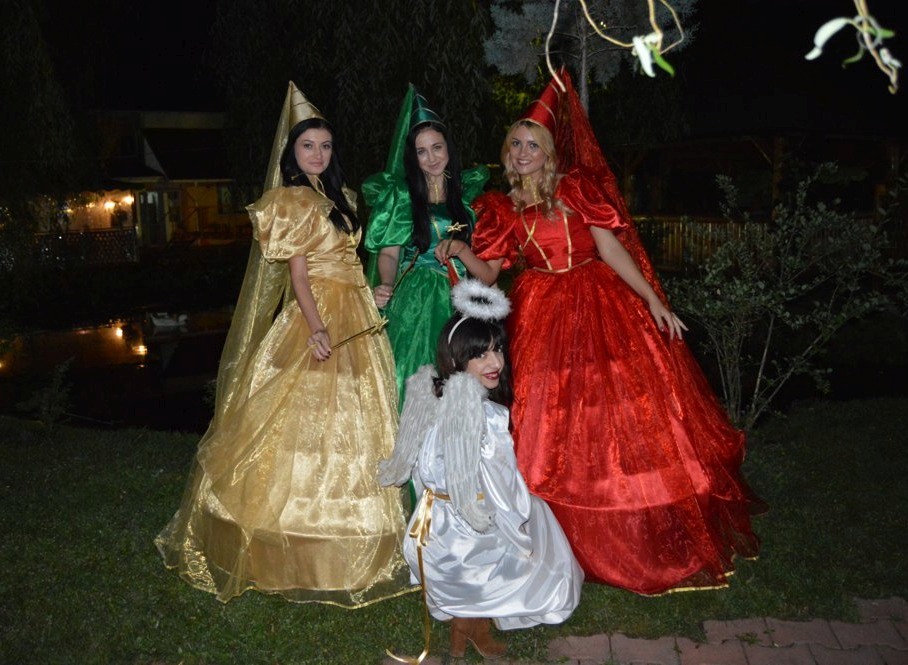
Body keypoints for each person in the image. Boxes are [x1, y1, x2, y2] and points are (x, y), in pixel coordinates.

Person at [443, 69, 762, 595]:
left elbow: (611, 248)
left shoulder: (575, 189)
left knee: (616, 409)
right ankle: (557, 535)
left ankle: (628, 521)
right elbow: (491, 273)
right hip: (541, 313)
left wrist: (653, 299)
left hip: (598, 300)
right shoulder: (501, 209)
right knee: (552, 416)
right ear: (507, 152)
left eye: (533, 145)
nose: (523, 152)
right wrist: (461, 251)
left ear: (549, 152)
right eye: (516, 144)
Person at [155, 82, 410, 607]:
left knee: (353, 415)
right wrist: (316, 326)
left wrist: (374, 293)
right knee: (301, 416)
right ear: (291, 153)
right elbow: (298, 276)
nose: (318, 154)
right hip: (317, 315)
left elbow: (350, 261)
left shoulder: (341, 199)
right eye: (308, 146)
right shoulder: (292, 201)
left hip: (356, 311)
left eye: (325, 146)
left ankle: (357, 536)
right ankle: (291, 538)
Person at [378, 279, 583, 661]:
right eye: (481, 355)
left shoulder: (431, 392)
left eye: (498, 350)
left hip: (434, 517)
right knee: (509, 543)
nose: (495, 363)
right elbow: (500, 479)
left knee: (480, 562)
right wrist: (517, 511)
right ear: (458, 359)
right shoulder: (480, 414)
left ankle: (469, 627)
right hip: (461, 520)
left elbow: (418, 460)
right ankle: (470, 626)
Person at [363, 85, 489, 405]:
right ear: (413, 156)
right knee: (414, 372)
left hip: (461, 298)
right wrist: (386, 283)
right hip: (416, 298)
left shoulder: (468, 193)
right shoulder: (403, 196)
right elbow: (389, 252)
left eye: (437, 147)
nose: (431, 158)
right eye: (422, 151)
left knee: (459, 378)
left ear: (449, 148)